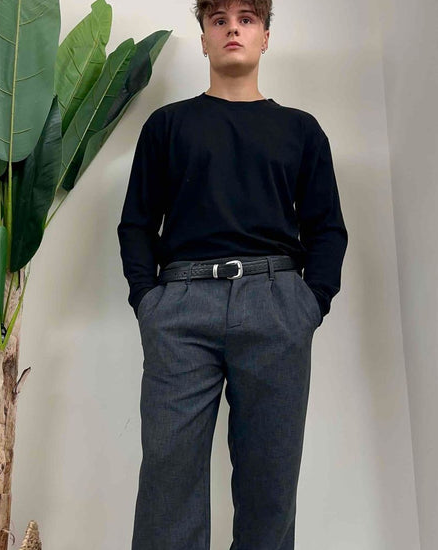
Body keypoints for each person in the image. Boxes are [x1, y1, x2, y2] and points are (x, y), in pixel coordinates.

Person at [117, 0, 348, 548]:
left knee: (271, 483)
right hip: (181, 307)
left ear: (265, 36)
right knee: (168, 480)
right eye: (218, 20)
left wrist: (309, 304)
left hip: (276, 305)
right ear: (203, 38)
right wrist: (148, 302)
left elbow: (327, 228)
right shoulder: (168, 125)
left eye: (247, 19)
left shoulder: (301, 130)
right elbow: (137, 223)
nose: (233, 30)